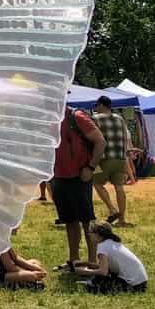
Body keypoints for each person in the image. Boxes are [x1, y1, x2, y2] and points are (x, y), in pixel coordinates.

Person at [51, 106, 105, 273]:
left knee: (86, 221)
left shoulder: (77, 116)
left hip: (79, 176)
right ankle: (74, 261)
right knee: (69, 220)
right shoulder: (50, 118)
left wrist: (91, 167)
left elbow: (100, 141)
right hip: (58, 176)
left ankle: (92, 262)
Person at [91, 96, 133, 226]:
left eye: (97, 105)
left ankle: (112, 209)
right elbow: (125, 138)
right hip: (120, 158)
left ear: (102, 105)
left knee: (97, 183)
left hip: (104, 158)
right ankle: (122, 219)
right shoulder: (120, 119)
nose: (96, 108)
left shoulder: (95, 118)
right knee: (119, 188)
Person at [74, 221, 148, 293]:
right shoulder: (112, 242)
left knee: (94, 286)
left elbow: (103, 272)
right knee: (99, 279)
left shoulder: (102, 247)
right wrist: (88, 264)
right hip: (142, 283)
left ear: (97, 234)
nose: (88, 234)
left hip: (133, 285)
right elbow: (106, 268)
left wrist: (84, 271)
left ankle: (89, 285)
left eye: (90, 232)